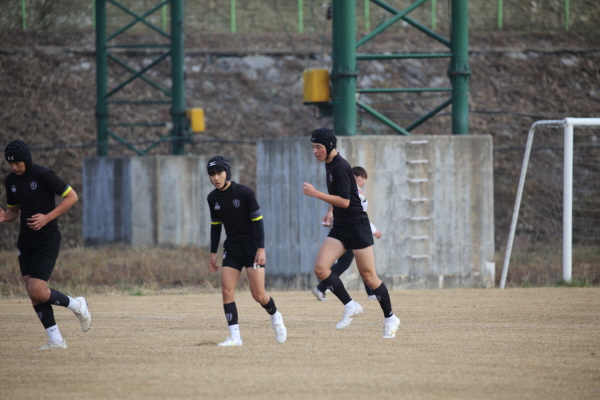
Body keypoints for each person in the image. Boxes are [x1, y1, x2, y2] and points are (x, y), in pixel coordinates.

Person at [302, 128, 401, 338]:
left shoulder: (340, 166)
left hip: (356, 226)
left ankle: (390, 318)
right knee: (321, 269)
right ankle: (350, 305)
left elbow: (346, 202)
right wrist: (330, 212)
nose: (315, 151)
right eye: (313, 147)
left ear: (330, 145)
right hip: (341, 226)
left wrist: (315, 193)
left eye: (318, 147)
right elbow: (342, 195)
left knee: (370, 278)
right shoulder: (329, 163)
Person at [0, 140, 91, 350]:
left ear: (26, 159)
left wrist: (47, 217)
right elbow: (14, 211)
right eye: (10, 163)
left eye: (17, 163)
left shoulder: (43, 174)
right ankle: (56, 340)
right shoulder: (11, 180)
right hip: (25, 240)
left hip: (47, 239)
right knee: (33, 292)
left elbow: (72, 197)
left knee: (37, 290)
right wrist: (5, 217)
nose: (14, 167)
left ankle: (77, 304)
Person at [206, 155, 287, 346]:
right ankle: (235, 337)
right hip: (232, 249)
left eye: (219, 173)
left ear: (227, 173)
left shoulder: (245, 193)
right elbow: (215, 227)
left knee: (258, 295)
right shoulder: (212, 198)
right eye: (212, 174)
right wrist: (213, 253)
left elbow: (259, 223)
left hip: (251, 248)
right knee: (227, 292)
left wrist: (261, 249)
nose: (216, 178)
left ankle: (275, 316)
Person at [312, 166, 382, 302]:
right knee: (347, 264)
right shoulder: (352, 190)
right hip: (351, 232)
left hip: (355, 231)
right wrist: (374, 230)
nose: (364, 181)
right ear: (355, 176)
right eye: (363, 177)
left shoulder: (357, 192)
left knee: (361, 264)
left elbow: (359, 214)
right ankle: (321, 287)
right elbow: (342, 202)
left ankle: (371, 292)